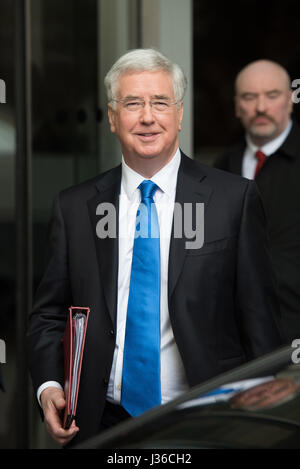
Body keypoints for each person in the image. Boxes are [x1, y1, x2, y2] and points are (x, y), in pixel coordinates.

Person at [27, 49, 282, 448]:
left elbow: (260, 324)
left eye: (160, 103)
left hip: (205, 423)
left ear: (179, 114)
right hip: (99, 424)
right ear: (112, 118)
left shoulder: (234, 199)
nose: (148, 117)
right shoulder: (74, 207)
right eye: (132, 104)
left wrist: (260, 424)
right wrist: (48, 386)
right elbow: (49, 313)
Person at [215, 59, 300, 344]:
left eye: (272, 96)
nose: (261, 107)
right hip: (236, 342)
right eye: (250, 97)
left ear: (290, 100)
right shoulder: (220, 169)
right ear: (238, 106)